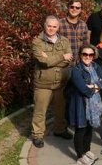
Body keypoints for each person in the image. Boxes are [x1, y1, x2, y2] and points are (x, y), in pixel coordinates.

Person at [31, 15, 73, 149]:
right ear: (45, 25)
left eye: (54, 26)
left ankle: (59, 130)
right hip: (43, 84)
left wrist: (50, 59)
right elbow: (43, 62)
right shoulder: (37, 42)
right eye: (49, 26)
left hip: (61, 83)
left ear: (58, 27)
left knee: (60, 110)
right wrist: (61, 57)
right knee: (40, 111)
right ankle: (37, 135)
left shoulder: (64, 41)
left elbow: (69, 59)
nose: (51, 29)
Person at [68, 45, 102, 165]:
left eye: (90, 55)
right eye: (85, 54)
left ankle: (87, 150)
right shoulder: (76, 70)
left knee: (89, 129)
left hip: (93, 105)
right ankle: (80, 156)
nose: (88, 57)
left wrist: (93, 86)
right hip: (81, 104)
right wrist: (94, 87)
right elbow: (83, 89)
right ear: (80, 55)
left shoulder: (96, 66)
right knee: (81, 129)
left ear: (94, 56)